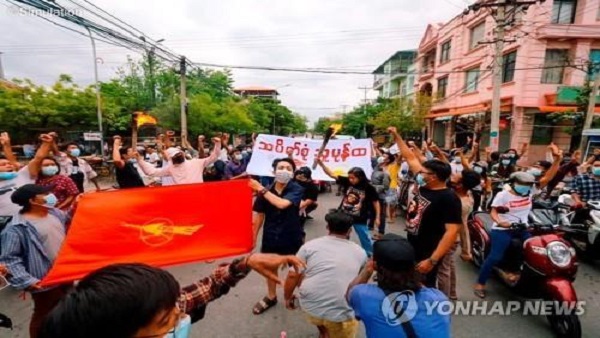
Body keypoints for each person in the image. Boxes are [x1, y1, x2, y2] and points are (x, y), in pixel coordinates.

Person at [38, 254, 305, 338]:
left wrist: (245, 263)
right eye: (168, 320)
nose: (183, 318)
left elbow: (208, 287)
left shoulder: (159, 308)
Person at [389, 127, 462, 288]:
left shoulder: (449, 198)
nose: (419, 174)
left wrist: (432, 260)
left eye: (423, 172)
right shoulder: (425, 184)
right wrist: (396, 135)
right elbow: (409, 156)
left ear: (434, 176)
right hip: (413, 242)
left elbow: (451, 232)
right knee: (410, 279)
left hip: (429, 250)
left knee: (423, 285)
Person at [0, 184, 73, 338]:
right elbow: (10, 259)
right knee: (44, 312)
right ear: (33, 200)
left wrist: (78, 205)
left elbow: (69, 219)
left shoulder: (54, 213)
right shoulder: (16, 229)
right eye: (45, 193)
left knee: (68, 305)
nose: (51, 195)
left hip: (64, 272)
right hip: (43, 279)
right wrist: (27, 280)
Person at [347, 234, 450, 338]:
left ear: (376, 266)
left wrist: (368, 269)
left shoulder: (364, 296)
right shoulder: (439, 299)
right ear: (413, 265)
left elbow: (349, 295)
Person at [284, 211, 367, 338]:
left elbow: (292, 275)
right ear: (350, 230)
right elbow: (359, 280)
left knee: (320, 319)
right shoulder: (360, 252)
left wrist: (287, 297)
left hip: (311, 306)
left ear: (327, 227)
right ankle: (327, 332)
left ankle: (324, 332)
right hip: (341, 312)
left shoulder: (309, 246)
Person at [248, 158, 305, 315]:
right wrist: (253, 238)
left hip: (292, 236)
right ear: (274, 171)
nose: (284, 170)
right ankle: (271, 297)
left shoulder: (297, 189)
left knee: (297, 268)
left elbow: (282, 204)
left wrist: (260, 188)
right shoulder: (265, 191)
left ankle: (303, 293)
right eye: (281, 167)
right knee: (270, 268)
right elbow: (259, 216)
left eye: (288, 168)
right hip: (271, 236)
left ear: (292, 173)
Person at [474, 172, 536, 299]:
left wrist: (557, 160)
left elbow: (550, 178)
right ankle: (480, 284)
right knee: (495, 257)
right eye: (523, 184)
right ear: (513, 183)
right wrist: (500, 222)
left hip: (523, 228)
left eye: (529, 184)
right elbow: (494, 212)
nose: (526, 186)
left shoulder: (530, 192)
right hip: (503, 229)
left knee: (534, 251)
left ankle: (519, 274)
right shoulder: (503, 195)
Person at [318, 160, 380, 257]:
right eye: (349, 177)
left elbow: (376, 202)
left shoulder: (369, 188)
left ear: (360, 177)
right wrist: (321, 164)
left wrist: (377, 217)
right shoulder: (347, 181)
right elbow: (331, 174)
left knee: (364, 236)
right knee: (340, 235)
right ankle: (342, 252)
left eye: (353, 178)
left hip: (359, 217)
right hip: (344, 215)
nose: (350, 180)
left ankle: (370, 254)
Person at [438, 170, 481, 300]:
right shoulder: (465, 194)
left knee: (442, 270)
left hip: (448, 239)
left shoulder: (459, 203)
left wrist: (466, 250)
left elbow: (463, 226)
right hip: (452, 238)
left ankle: (442, 299)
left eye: (458, 176)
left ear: (460, 185)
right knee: (449, 264)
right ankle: (452, 292)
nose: (454, 175)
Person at [1, 133, 52, 218]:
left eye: (9, 163)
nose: (8, 165)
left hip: (30, 220)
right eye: (3, 164)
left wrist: (46, 143)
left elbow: (38, 159)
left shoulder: (22, 175)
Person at [137, 137, 221, 185]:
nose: (178, 156)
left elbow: (214, 157)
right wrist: (140, 160)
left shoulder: (196, 162)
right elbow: (152, 172)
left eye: (178, 154)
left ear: (183, 154)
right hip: (182, 196)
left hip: (197, 194)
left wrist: (217, 144)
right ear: (170, 159)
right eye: (175, 156)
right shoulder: (170, 168)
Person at [371, 156, 391, 239]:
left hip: (381, 197)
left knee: (381, 216)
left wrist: (374, 187)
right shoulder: (376, 169)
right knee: (374, 214)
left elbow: (386, 187)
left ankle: (381, 233)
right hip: (374, 195)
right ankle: (376, 231)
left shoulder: (385, 173)